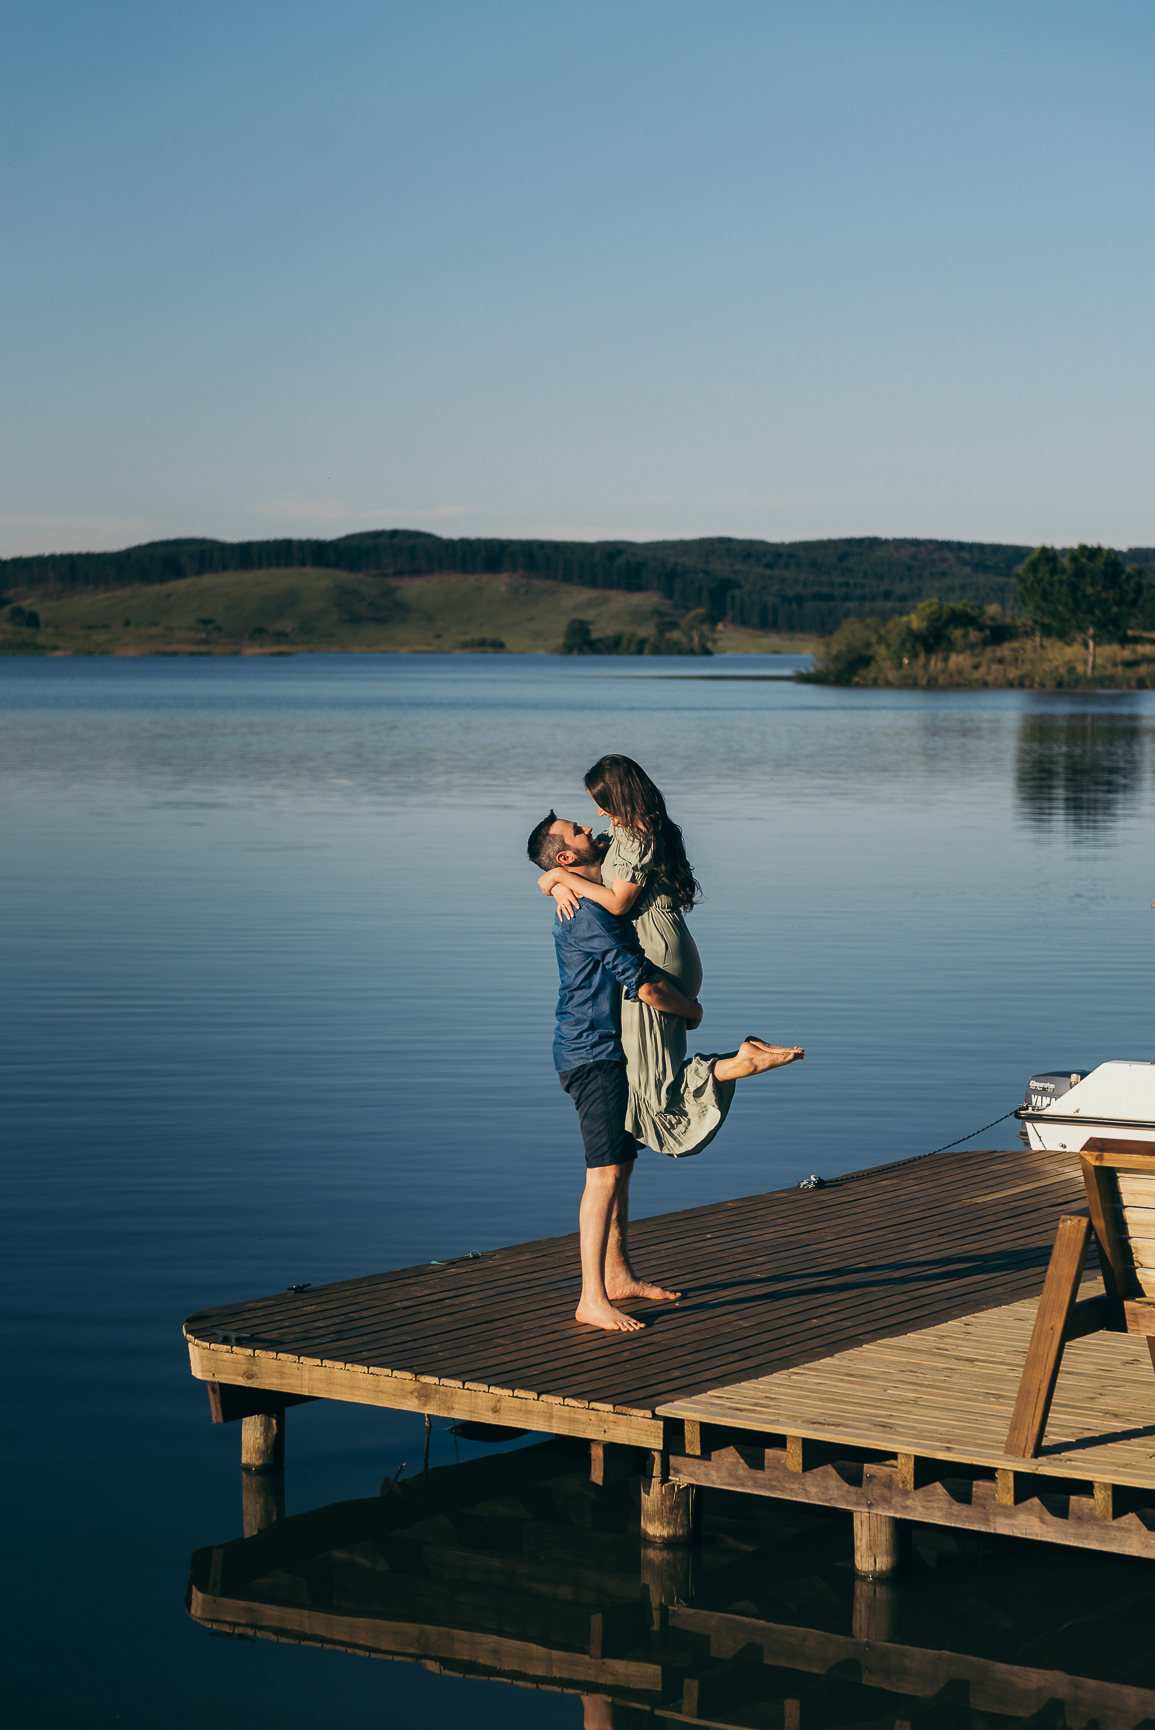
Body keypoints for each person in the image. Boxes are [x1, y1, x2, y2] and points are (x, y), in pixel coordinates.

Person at [536, 754, 803, 1157]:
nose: (597, 815)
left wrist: (559, 877)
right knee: (655, 1074)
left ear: (618, 797)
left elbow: (618, 902)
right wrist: (557, 883)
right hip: (669, 949)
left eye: (601, 803)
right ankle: (729, 1065)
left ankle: (735, 1064)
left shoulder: (632, 838)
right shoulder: (632, 831)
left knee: (655, 1092)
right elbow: (564, 866)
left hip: (654, 959)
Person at [527, 811, 704, 1332]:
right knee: (602, 1174)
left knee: (621, 1167)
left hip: (609, 1049)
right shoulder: (586, 913)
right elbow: (641, 982)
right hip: (593, 1054)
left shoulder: (585, 886)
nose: (591, 829)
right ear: (567, 855)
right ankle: (591, 1298)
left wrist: (554, 879)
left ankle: (618, 1276)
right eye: (578, 831)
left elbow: (572, 862)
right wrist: (691, 1012)